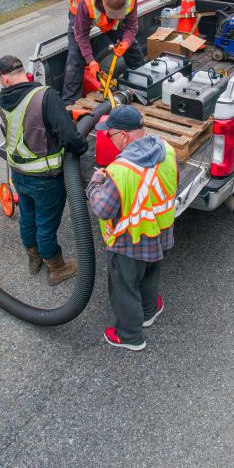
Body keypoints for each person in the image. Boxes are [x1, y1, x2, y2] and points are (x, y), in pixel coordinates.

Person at [86, 106, 178, 351]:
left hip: (129, 241)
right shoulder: (167, 150)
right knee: (150, 274)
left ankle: (130, 336)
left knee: (124, 288)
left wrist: (95, 183)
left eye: (110, 134)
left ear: (124, 136)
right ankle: (150, 311)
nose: (108, 138)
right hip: (159, 232)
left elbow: (102, 209)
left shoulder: (121, 170)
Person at [0, 55, 87, 285]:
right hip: (45, 179)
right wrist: (82, 145)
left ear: (5, 79)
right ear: (22, 73)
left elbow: (27, 125)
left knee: (28, 217)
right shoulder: (45, 96)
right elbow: (69, 137)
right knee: (46, 224)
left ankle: (33, 258)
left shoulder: (2, 102)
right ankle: (57, 268)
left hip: (19, 173)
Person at [61, 0, 142, 106]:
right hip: (79, 14)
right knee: (76, 56)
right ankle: (70, 103)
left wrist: (126, 43)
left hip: (107, 16)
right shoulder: (86, 2)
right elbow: (81, 35)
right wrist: (91, 61)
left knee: (131, 45)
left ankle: (140, 79)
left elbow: (132, 26)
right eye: (111, 13)